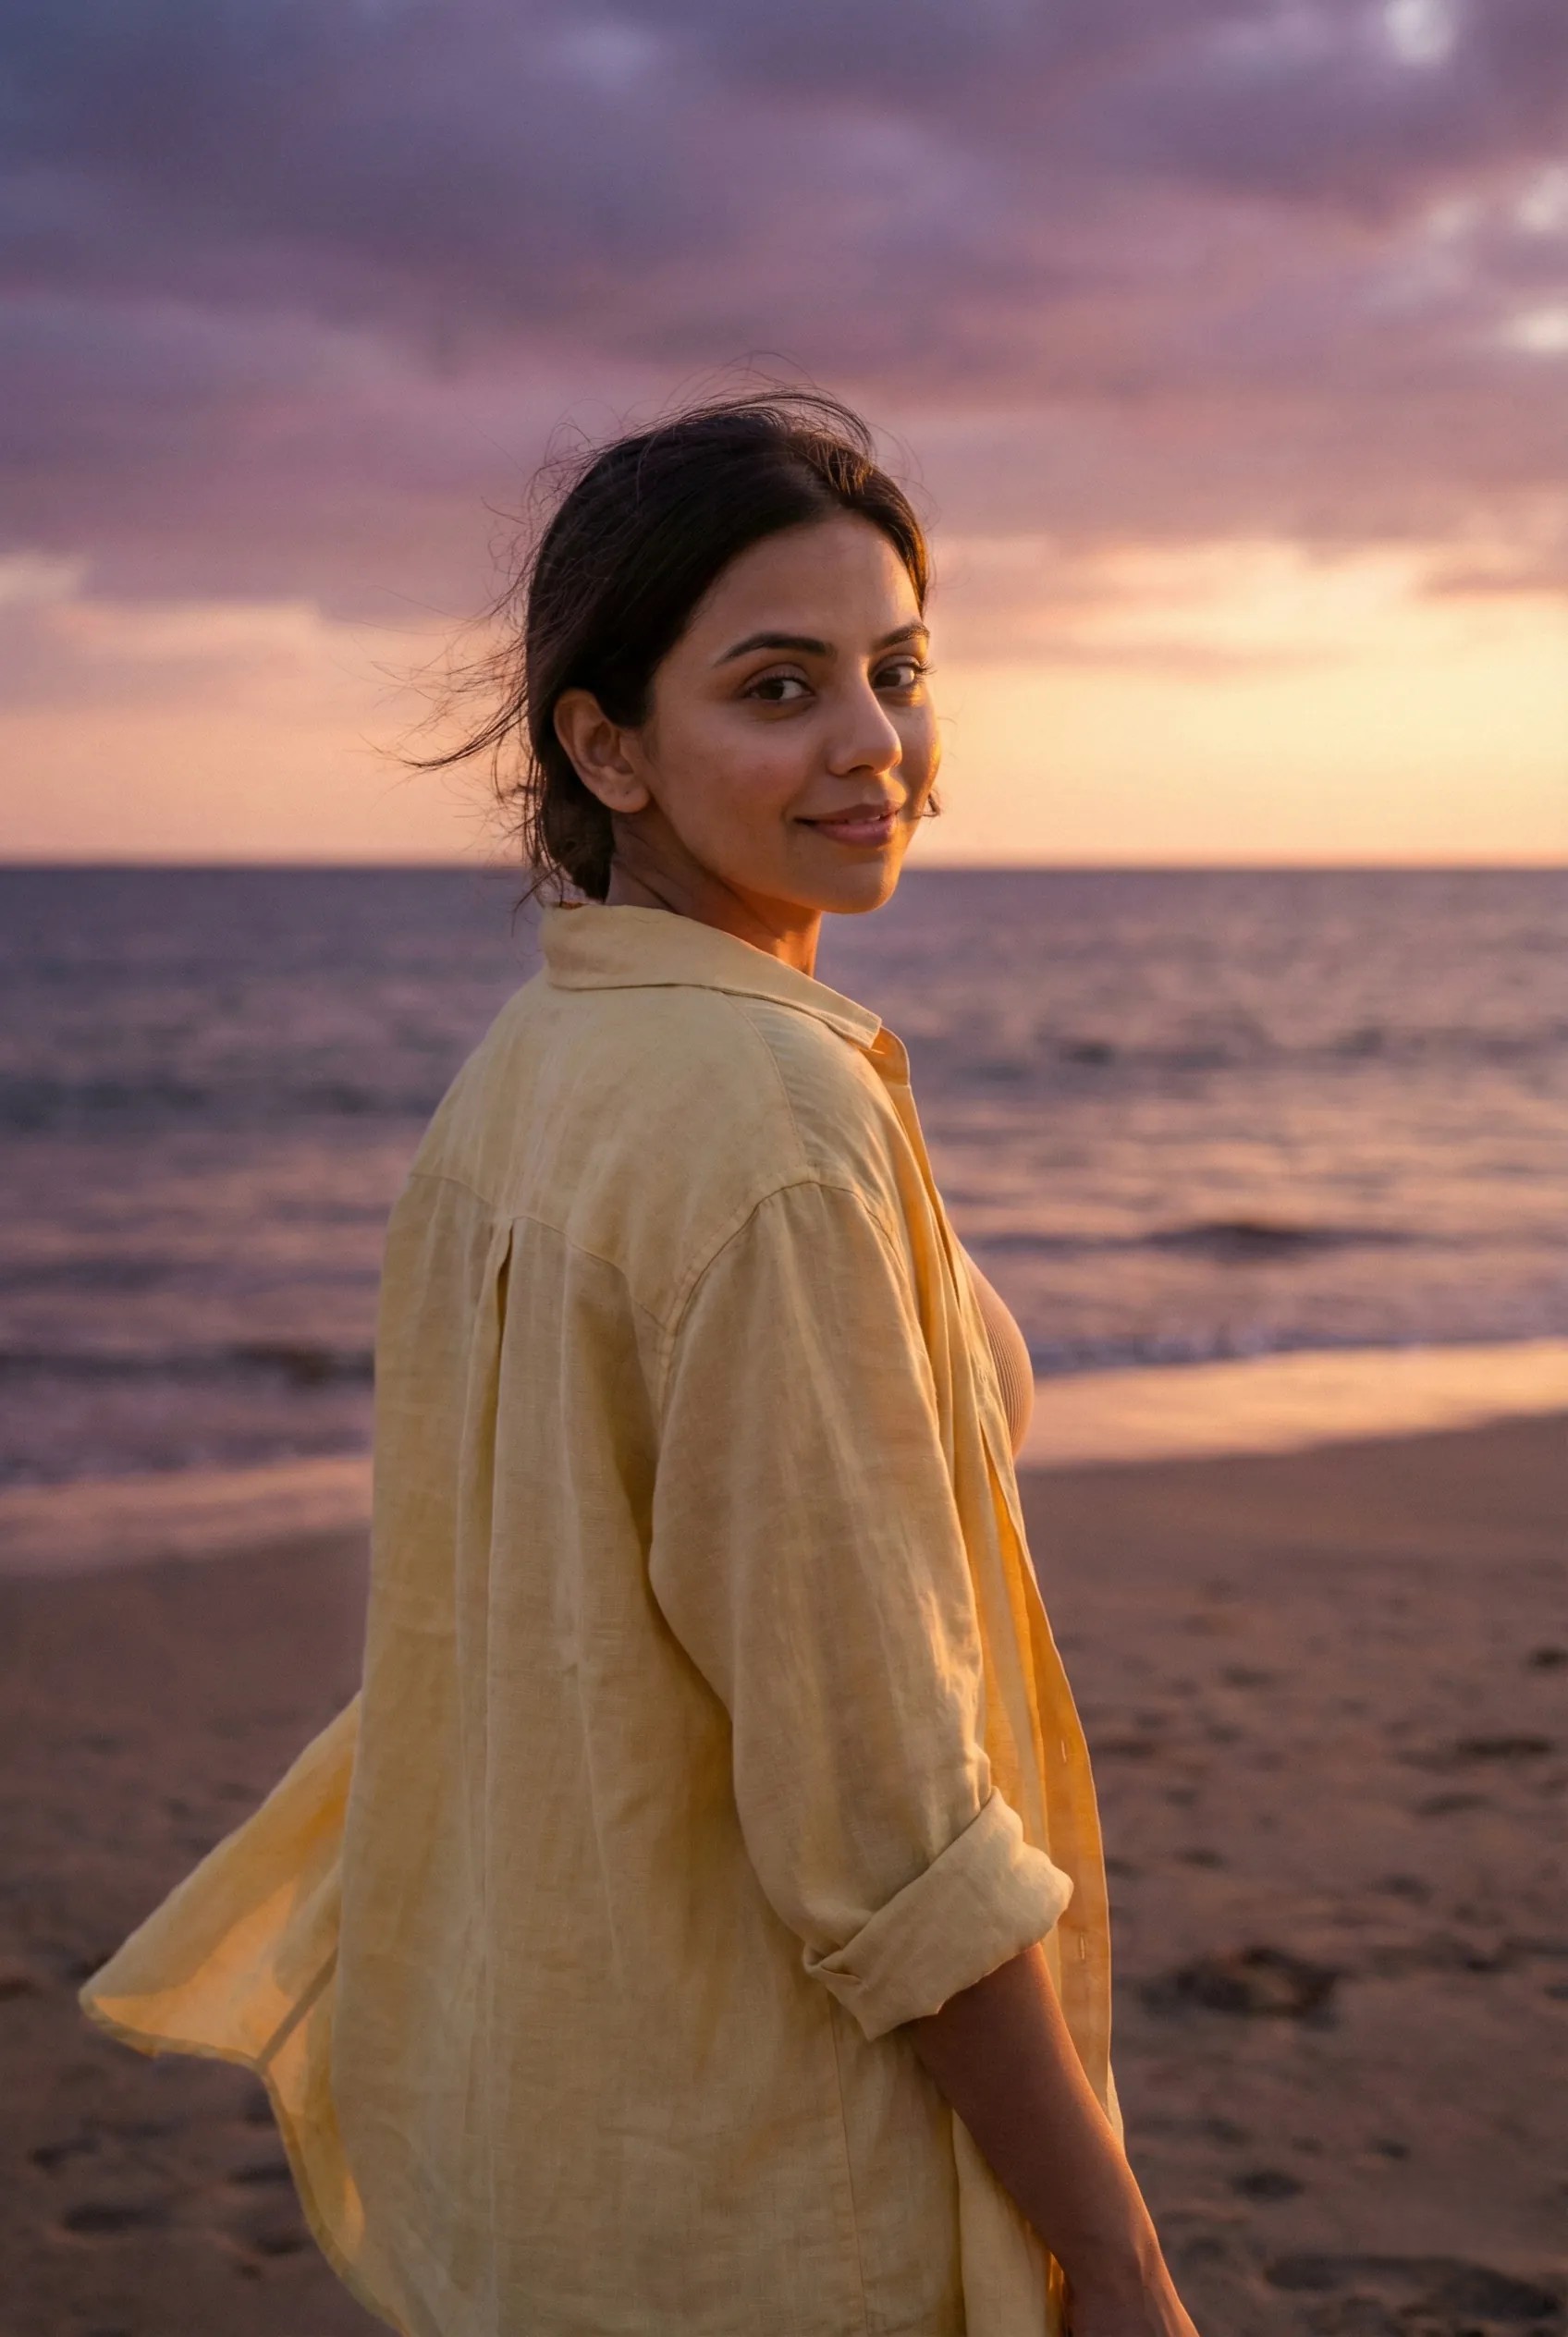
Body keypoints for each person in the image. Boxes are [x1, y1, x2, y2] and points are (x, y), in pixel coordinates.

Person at [82, 390, 1198, 2337]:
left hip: (551, 2130)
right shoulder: (765, 1125)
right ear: (603, 745)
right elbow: (879, 1825)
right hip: (771, 2184)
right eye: (776, 688)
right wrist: (1108, 2249)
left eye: (896, 669)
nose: (870, 742)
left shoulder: (529, 1075)